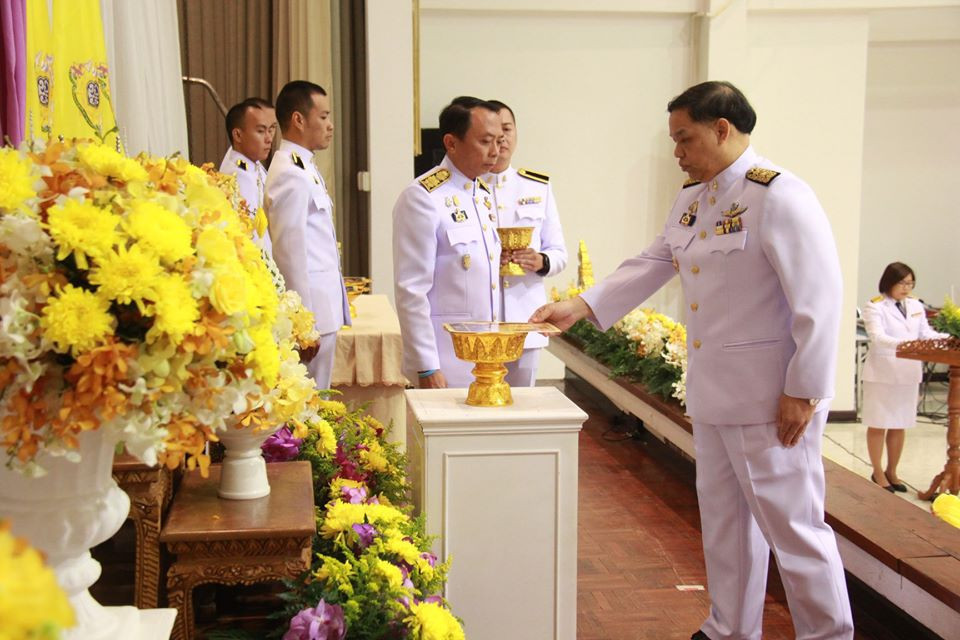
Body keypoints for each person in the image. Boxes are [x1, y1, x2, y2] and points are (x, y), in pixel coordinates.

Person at [531, 81, 854, 640]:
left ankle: (828, 634)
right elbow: (653, 261)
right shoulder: (694, 199)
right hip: (714, 393)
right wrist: (579, 306)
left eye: (684, 138)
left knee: (795, 532)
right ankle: (730, 628)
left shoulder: (777, 195)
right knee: (726, 524)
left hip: (770, 399)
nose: (677, 152)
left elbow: (820, 300)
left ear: (722, 128)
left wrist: (803, 390)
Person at [393, 96, 503, 388]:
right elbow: (412, 290)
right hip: (447, 360)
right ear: (451, 143)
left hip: (487, 358)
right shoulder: (423, 197)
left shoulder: (481, 193)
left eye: (498, 141)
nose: (495, 151)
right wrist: (426, 365)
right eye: (485, 141)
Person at [265, 80, 349, 389]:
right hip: (311, 312)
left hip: (321, 306)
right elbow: (290, 252)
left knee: (318, 399)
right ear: (299, 119)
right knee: (308, 404)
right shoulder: (290, 171)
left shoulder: (303, 166)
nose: (330, 125)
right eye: (323, 116)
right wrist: (302, 322)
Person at [481, 100, 568, 387]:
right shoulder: (464, 188)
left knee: (522, 407)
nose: (502, 138)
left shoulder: (536, 186)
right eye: (494, 132)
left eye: (507, 129)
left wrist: (541, 261)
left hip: (525, 318)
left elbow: (559, 252)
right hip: (480, 322)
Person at [861, 262, 948, 492]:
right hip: (883, 372)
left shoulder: (915, 305)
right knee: (879, 423)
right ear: (889, 282)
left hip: (908, 373)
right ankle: (878, 472)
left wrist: (947, 337)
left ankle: (892, 471)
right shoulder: (875, 306)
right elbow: (877, 337)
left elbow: (925, 333)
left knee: (900, 424)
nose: (907, 288)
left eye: (910, 283)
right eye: (902, 283)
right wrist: (908, 345)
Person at [220, 97, 277, 254]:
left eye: (272, 129)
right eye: (261, 131)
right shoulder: (235, 177)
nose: (269, 138)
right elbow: (253, 237)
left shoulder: (253, 165)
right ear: (238, 135)